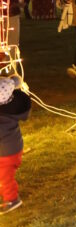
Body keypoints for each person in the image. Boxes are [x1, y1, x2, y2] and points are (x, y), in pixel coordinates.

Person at [0, 75, 29, 214]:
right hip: (14, 148)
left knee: (5, 177)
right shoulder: (12, 108)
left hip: (7, 153)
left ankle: (12, 199)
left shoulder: (2, 118)